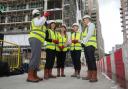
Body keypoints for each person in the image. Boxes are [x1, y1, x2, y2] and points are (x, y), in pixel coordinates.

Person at [27, 9, 50, 82]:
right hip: (35, 38)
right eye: (39, 14)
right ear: (36, 14)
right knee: (35, 57)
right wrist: (45, 16)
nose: (40, 15)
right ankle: (30, 76)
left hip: (38, 40)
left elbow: (43, 30)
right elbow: (38, 24)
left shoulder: (40, 21)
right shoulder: (35, 19)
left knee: (37, 58)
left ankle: (34, 75)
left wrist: (45, 21)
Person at [81, 15, 98, 82]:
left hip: (91, 45)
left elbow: (89, 34)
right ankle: (89, 75)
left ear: (88, 19)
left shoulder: (92, 25)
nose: (83, 21)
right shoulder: (86, 28)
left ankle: (94, 76)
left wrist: (83, 42)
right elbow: (83, 37)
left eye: (84, 20)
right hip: (86, 46)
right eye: (83, 20)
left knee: (91, 60)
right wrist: (82, 43)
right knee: (88, 61)